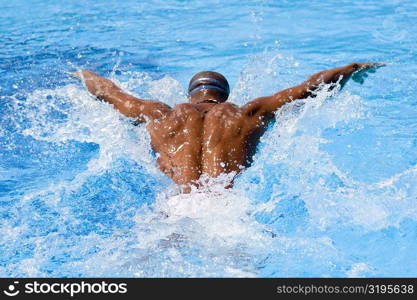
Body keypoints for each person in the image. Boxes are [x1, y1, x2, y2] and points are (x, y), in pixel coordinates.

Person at [72, 62, 383, 193]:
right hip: (225, 211)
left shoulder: (159, 114)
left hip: (177, 208)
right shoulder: (248, 113)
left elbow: (109, 93)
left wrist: (82, 73)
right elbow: (307, 88)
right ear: (225, 95)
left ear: (191, 94)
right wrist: (351, 69)